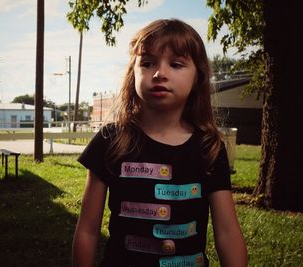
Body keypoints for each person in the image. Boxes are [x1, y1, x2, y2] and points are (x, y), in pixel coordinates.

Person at [72, 18, 247, 267]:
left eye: (175, 64)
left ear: (198, 77)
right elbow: (87, 231)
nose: (159, 73)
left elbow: (228, 234)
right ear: (133, 73)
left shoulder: (210, 147)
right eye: (147, 63)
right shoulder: (110, 141)